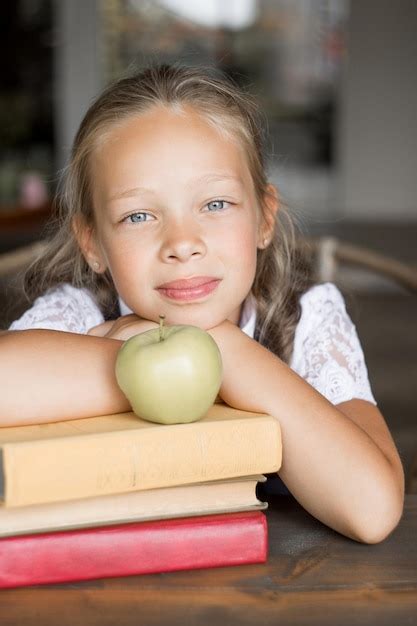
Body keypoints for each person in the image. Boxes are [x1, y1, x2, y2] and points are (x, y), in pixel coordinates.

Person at [0, 64, 403, 543]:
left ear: (263, 218)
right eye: (138, 214)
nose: (182, 243)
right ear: (92, 243)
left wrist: (223, 349)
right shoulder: (84, 312)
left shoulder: (306, 317)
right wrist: (146, 352)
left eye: (214, 205)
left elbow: (372, 510)